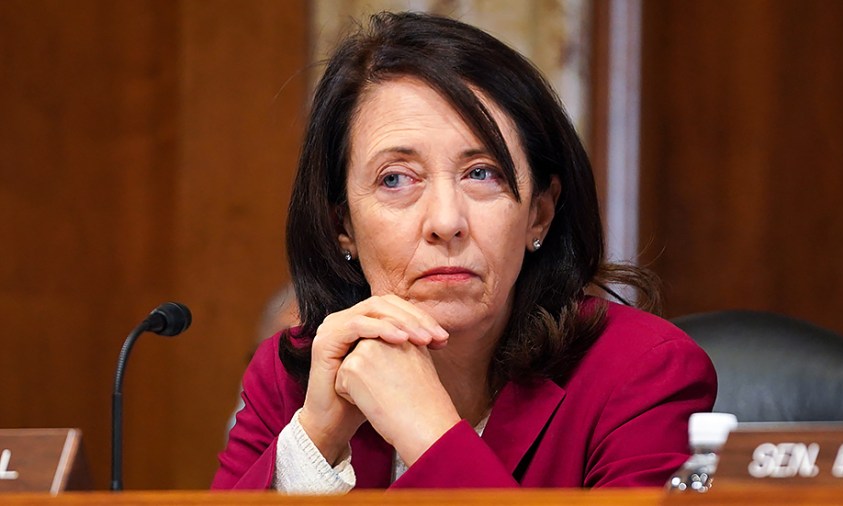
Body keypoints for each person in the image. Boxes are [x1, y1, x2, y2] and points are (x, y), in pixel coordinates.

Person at [212, 11, 716, 492]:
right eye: (396, 179)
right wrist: (317, 438)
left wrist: (429, 432)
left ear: (538, 214)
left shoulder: (642, 374)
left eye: (483, 173)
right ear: (342, 226)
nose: (446, 222)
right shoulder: (290, 375)